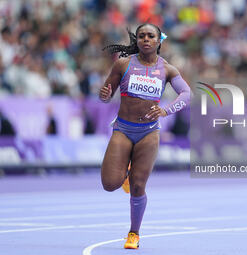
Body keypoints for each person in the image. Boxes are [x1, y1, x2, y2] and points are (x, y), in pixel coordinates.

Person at [99, 23, 191, 249]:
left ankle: (133, 233)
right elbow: (106, 96)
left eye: (151, 36)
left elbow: (187, 93)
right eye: (142, 36)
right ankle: (126, 174)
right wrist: (104, 95)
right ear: (137, 40)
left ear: (159, 41)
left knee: (139, 186)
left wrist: (166, 110)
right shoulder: (123, 64)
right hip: (123, 129)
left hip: (149, 133)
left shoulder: (167, 69)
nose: (146, 39)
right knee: (110, 184)